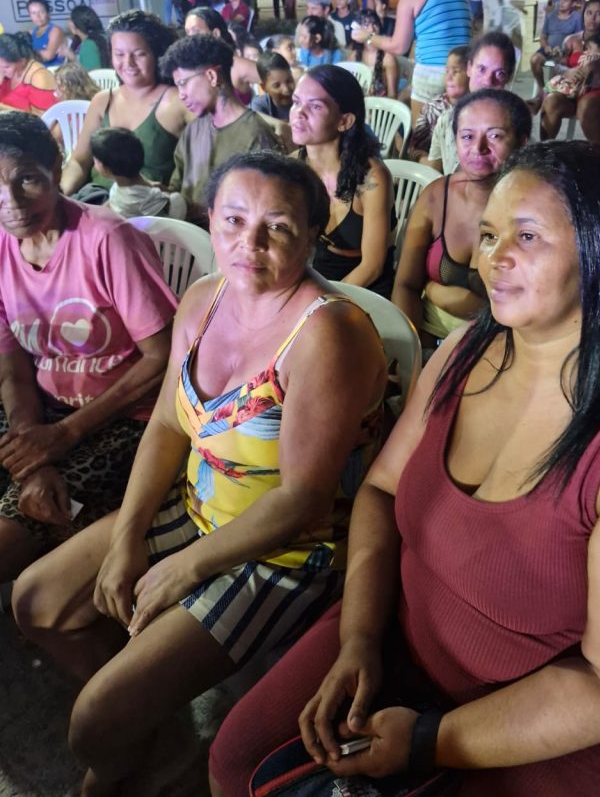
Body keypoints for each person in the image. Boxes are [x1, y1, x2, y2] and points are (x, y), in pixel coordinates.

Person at [208, 140, 600, 797]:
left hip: (559, 725)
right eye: (487, 235)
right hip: (407, 636)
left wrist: (430, 740)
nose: (490, 259)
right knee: (235, 761)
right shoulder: (462, 353)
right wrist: (360, 636)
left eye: (526, 236)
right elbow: (380, 491)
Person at [13, 149, 388, 797]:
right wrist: (128, 536)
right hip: (196, 507)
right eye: (234, 220)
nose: (250, 242)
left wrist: (184, 568)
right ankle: (148, 724)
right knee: (36, 602)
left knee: (92, 725)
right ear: (210, 218)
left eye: (278, 226)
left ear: (312, 236)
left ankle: (136, 741)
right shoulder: (204, 299)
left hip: (285, 550)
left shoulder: (328, 333)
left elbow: (301, 498)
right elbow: (166, 425)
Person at [0, 112, 176, 582]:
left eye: (27, 180)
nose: (12, 203)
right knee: (31, 489)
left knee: (13, 533)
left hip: (125, 417)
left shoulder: (108, 240)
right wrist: (31, 454)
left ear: (56, 171)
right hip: (42, 410)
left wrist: (66, 434)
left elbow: (163, 357)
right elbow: (13, 367)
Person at [393, 89, 530, 346]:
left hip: (497, 344)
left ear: (522, 142)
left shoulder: (532, 211)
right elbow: (406, 285)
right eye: (467, 136)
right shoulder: (436, 197)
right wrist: (408, 350)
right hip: (425, 335)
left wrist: (438, 292)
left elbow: (525, 308)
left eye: (495, 136)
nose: (478, 148)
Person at [291, 65, 395, 296]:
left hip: (367, 285)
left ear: (345, 121)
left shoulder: (371, 177)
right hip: (319, 272)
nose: (299, 113)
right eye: (296, 102)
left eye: (315, 106)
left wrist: (324, 301)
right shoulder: (293, 168)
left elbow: (372, 266)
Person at [60, 10, 188, 197]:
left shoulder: (178, 101)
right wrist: (61, 194)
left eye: (139, 54)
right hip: (94, 201)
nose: (128, 63)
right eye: (119, 54)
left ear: (157, 54)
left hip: (146, 207)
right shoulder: (103, 100)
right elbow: (79, 161)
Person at [163, 34, 282, 224]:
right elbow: (176, 188)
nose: (181, 95)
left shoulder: (256, 135)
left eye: (183, 83)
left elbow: (264, 209)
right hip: (185, 237)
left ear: (212, 76)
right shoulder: (193, 130)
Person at [350, 0, 471, 123]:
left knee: (422, 133)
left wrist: (367, 37)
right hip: (465, 71)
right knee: (455, 129)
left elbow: (399, 46)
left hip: (432, 72)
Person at [540, 0, 600, 145]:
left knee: (586, 104)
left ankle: (598, 154)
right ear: (583, 14)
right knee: (551, 101)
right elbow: (556, 64)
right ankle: (543, 150)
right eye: (589, 13)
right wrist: (568, 72)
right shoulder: (572, 40)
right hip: (572, 90)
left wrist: (594, 65)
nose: (592, 18)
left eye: (599, 13)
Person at [428, 33, 517, 174]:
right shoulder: (447, 120)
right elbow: (433, 174)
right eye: (481, 69)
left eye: (499, 73)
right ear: (469, 68)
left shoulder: (515, 128)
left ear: (509, 77)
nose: (488, 81)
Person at [90, 127, 187, 220]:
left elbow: (167, 214)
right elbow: (112, 202)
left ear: (106, 169)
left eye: (95, 159)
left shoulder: (134, 201)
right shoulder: (126, 186)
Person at [184, 6, 262, 103]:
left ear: (215, 33)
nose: (190, 38)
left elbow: (273, 79)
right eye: (187, 32)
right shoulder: (190, 69)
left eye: (196, 31)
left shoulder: (235, 64)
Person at [410, 45, 469, 159]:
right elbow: (416, 149)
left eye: (456, 71)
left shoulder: (475, 110)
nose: (449, 76)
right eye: (447, 71)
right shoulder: (432, 107)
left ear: (470, 73)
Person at [529, 0, 583, 97]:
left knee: (558, 65)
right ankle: (541, 89)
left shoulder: (576, 17)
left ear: (573, 4)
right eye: (561, 0)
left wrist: (566, 53)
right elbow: (543, 36)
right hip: (548, 49)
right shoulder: (550, 16)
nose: (561, 3)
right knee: (534, 60)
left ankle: (552, 94)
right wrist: (546, 47)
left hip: (565, 51)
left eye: (565, 1)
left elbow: (578, 38)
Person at [0, 32, 57, 115]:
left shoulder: (39, 77)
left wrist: (2, 107)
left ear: (22, 61)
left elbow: (41, 118)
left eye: (6, 67)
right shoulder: (4, 71)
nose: (1, 70)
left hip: (27, 122)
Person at [249, 51, 295, 148]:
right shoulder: (260, 105)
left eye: (289, 81)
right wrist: (279, 124)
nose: (286, 89)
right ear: (264, 87)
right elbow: (251, 116)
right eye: (277, 85)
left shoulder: (301, 98)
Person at [352, 10, 398, 98]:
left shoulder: (387, 58)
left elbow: (392, 95)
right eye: (366, 25)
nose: (371, 29)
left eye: (375, 24)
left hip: (379, 104)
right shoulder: (353, 56)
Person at [68, 5, 109, 71]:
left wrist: (73, 58)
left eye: (70, 20)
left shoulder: (89, 45)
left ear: (77, 23)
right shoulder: (104, 36)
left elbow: (92, 73)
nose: (67, 23)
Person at [27, 0, 65, 68]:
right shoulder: (30, 33)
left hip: (53, 70)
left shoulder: (55, 30)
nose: (38, 16)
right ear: (30, 15)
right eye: (33, 13)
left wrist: (26, 52)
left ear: (48, 13)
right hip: (37, 69)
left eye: (41, 12)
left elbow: (48, 56)